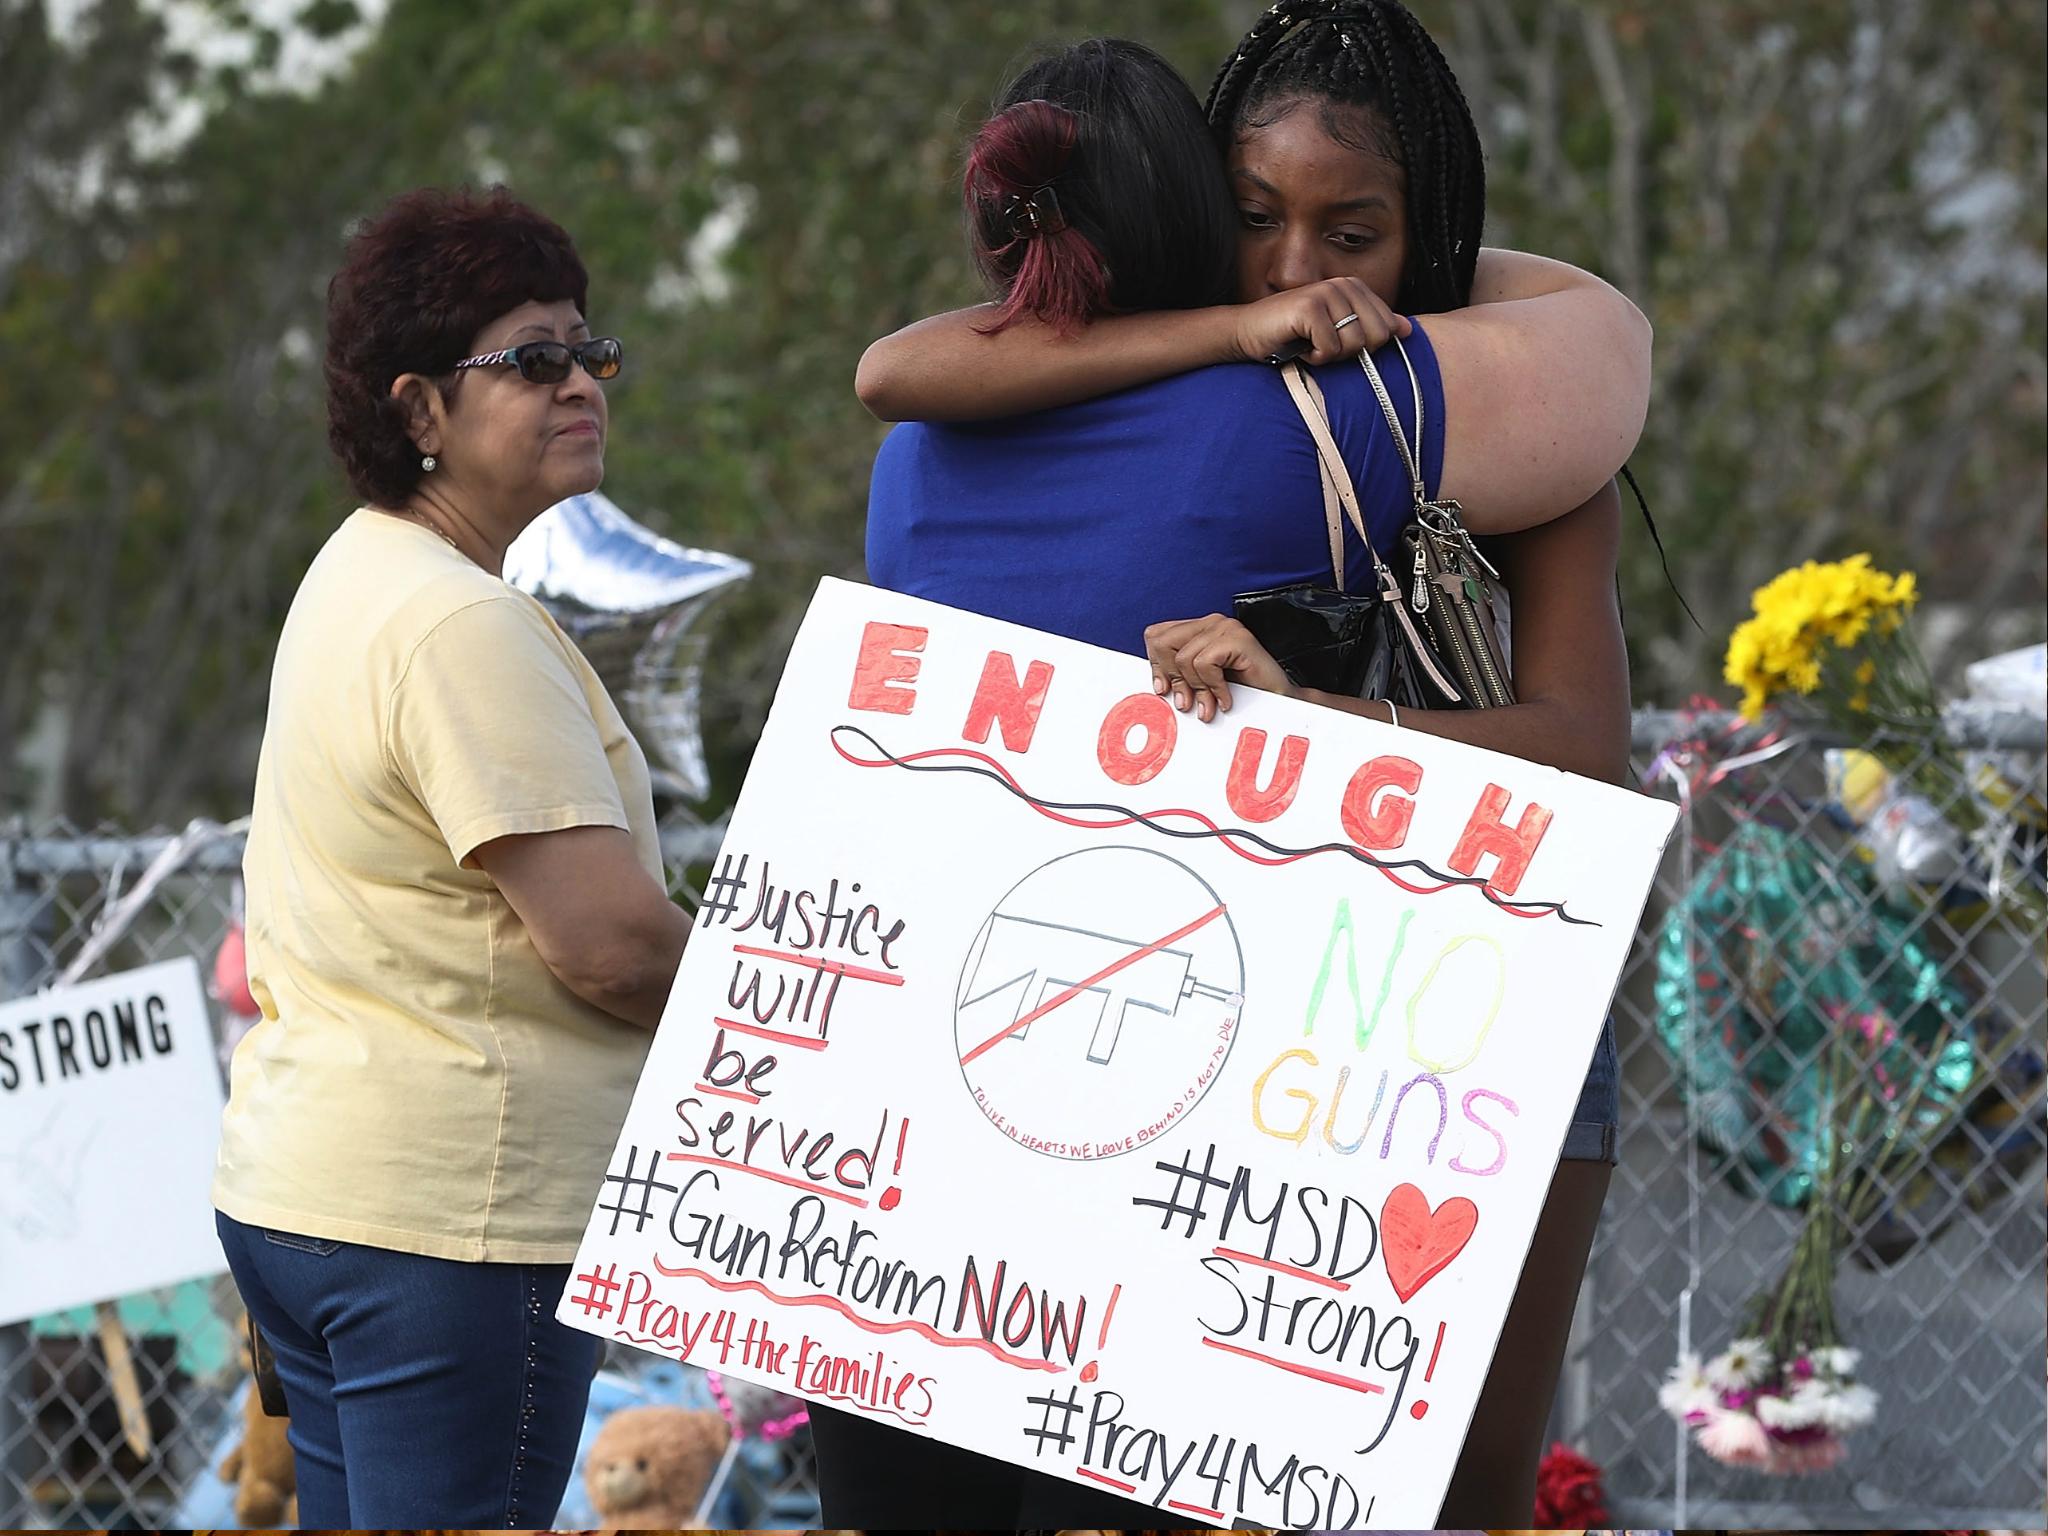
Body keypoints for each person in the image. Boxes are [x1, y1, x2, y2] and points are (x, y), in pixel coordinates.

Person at [819, 11, 1639, 1526]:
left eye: (1358, 231)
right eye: (1252, 219)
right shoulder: (1338, 409)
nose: (1294, 273)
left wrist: (1321, 727)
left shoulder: (946, 424)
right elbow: (1600, 326)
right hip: (1272, 1033)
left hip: (1435, 1008)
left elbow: (1591, 762)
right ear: (1194, 213)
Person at [211, 185, 693, 1527]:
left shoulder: (361, 570)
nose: (581, 383)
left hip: (316, 1198)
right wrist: (797, 1013)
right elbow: (603, 941)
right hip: (450, 1225)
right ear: (418, 410)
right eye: (532, 361)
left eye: (589, 350)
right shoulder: (457, 623)